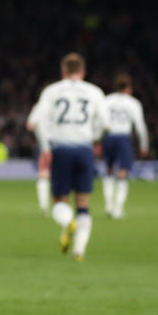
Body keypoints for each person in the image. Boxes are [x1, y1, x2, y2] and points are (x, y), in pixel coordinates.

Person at [34, 53, 109, 261]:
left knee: (59, 200)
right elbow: (105, 124)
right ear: (83, 72)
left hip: (60, 148)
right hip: (84, 148)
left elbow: (39, 121)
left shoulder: (52, 90)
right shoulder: (95, 91)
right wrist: (94, 139)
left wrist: (45, 148)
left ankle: (67, 223)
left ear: (63, 71)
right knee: (83, 202)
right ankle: (79, 250)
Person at [102, 74, 149, 219]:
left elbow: (99, 120)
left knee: (109, 170)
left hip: (108, 136)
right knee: (123, 172)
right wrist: (144, 144)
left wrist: (97, 140)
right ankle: (118, 209)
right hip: (123, 138)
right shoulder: (133, 103)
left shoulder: (107, 100)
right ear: (128, 88)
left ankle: (108, 206)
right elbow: (140, 126)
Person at [26, 96, 51, 214]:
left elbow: (30, 125)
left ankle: (44, 206)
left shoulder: (40, 106)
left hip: (44, 144)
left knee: (43, 174)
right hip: (64, 143)